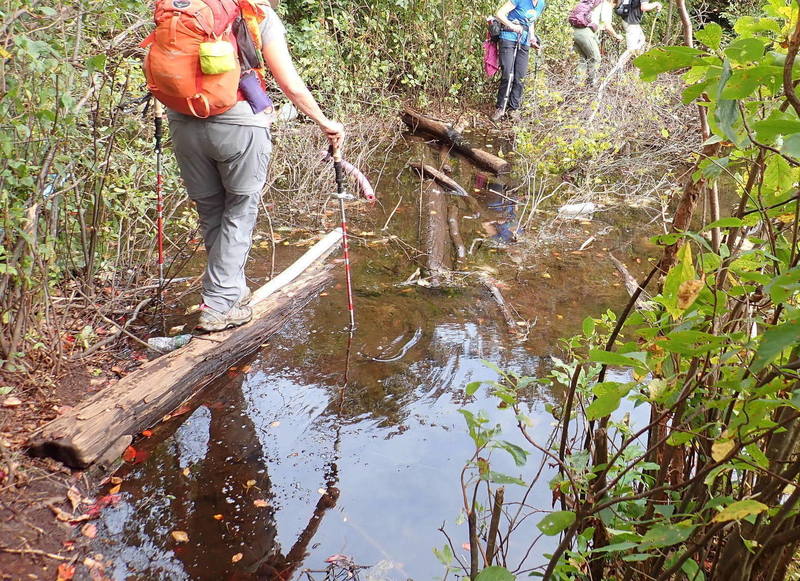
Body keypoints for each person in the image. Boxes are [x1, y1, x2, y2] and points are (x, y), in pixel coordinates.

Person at [164, 2, 344, 332]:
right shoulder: (256, 13)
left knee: (211, 211)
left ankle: (229, 294)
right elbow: (289, 84)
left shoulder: (185, 9)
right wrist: (323, 121)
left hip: (184, 122)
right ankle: (218, 305)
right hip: (238, 122)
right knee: (240, 209)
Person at [491, 0, 546, 122]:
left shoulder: (541, 4)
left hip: (524, 40)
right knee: (507, 74)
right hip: (508, 37)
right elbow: (499, 14)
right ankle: (500, 107)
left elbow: (530, 22)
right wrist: (512, 26)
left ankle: (513, 109)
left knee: (520, 76)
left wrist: (532, 39)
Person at [571, 0, 622, 87]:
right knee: (595, 58)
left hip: (575, 31)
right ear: (613, 2)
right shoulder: (606, 4)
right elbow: (607, 25)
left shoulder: (595, 3)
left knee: (583, 59)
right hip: (586, 33)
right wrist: (616, 36)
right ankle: (591, 86)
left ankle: (577, 85)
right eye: (614, 6)